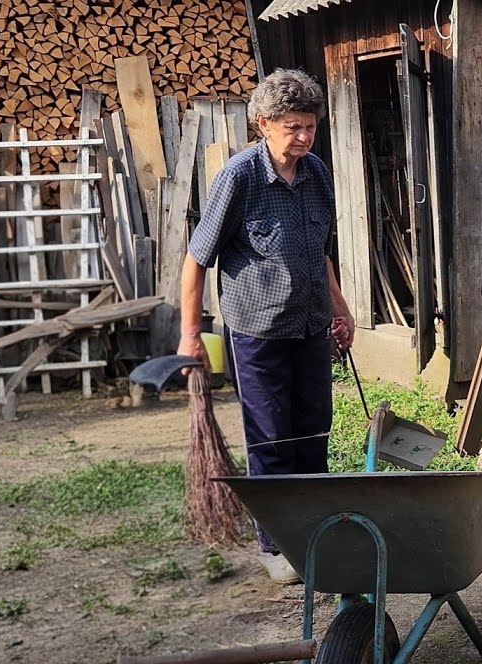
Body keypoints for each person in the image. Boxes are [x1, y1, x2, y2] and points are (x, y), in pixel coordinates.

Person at [177, 68, 354, 584]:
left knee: (313, 430)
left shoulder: (316, 174)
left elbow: (317, 252)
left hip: (310, 326)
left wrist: (339, 309)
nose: (303, 138)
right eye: (293, 128)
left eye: (310, 127)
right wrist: (191, 336)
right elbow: (196, 260)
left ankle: (315, 533)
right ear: (263, 124)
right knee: (272, 438)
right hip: (257, 331)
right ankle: (276, 546)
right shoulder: (240, 177)